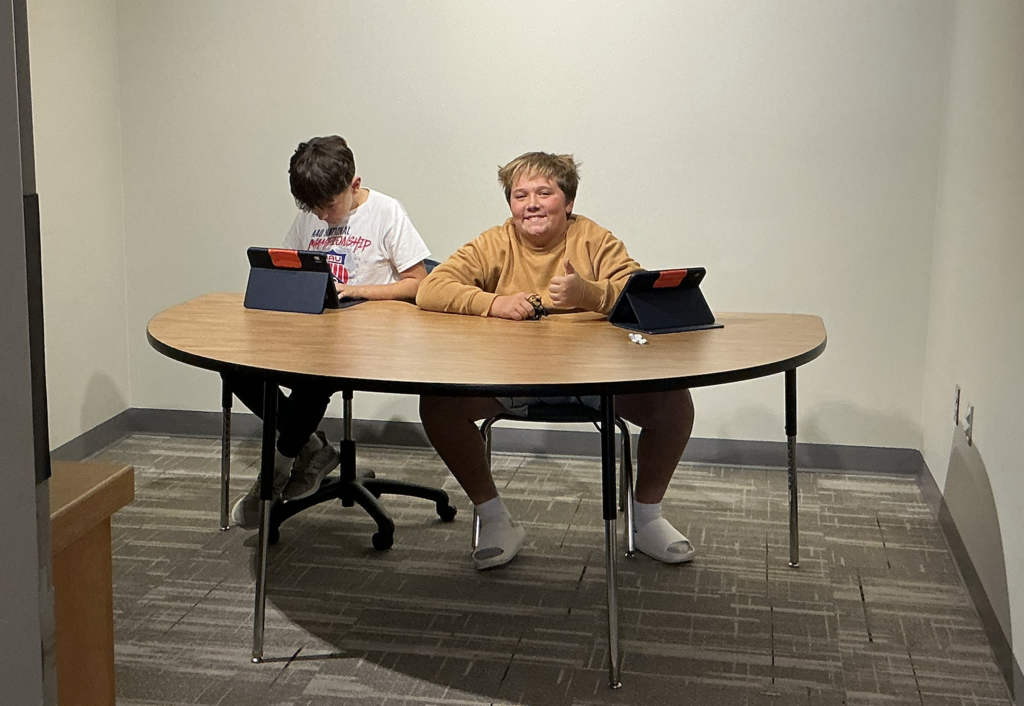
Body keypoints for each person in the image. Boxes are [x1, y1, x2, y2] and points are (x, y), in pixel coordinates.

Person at [416, 151, 695, 570]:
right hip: (514, 380)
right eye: (519, 195)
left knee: (674, 405)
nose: (530, 204)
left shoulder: (593, 238)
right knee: (438, 405)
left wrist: (589, 295)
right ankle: (494, 518)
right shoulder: (495, 241)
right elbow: (431, 289)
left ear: (568, 203)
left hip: (594, 381)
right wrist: (493, 303)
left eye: (544, 193)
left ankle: (646, 518)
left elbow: (638, 290)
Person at [228, 135, 431, 529]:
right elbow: (287, 267)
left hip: (371, 341)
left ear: (354, 185)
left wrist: (357, 290)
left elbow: (418, 282)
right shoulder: (312, 216)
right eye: (312, 208)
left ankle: (277, 469)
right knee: (235, 367)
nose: (321, 216)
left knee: (313, 378)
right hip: (313, 334)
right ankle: (310, 446)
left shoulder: (386, 212)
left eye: (329, 206)